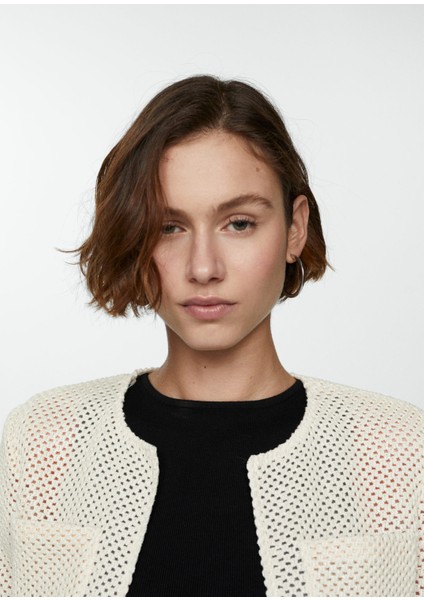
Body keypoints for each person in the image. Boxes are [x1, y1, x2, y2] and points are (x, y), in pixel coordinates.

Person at [0, 75, 422, 598]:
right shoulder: (44, 441)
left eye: (239, 223)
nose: (203, 268)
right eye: (168, 227)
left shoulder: (399, 450)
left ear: (295, 228)